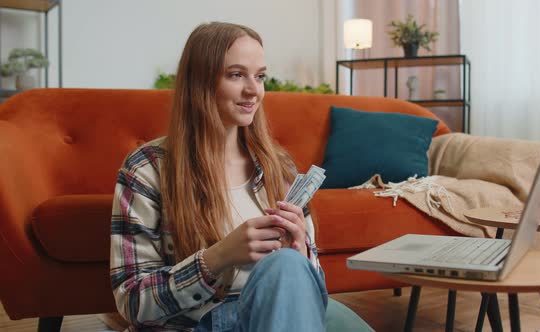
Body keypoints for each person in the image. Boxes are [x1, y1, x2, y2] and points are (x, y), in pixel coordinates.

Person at [110, 22, 373, 332]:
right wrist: (218, 256)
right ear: (200, 82)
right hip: (200, 324)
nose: (254, 90)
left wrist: (300, 251)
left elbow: (313, 295)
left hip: (282, 315)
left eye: (260, 76)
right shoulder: (148, 169)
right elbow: (132, 302)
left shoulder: (280, 167)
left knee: (312, 289)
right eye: (236, 75)